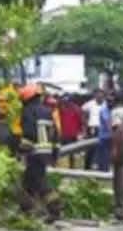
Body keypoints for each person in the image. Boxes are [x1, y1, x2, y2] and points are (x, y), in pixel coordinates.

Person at [18, 84, 61, 221]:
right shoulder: (48, 111)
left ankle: (55, 209)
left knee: (40, 182)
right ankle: (27, 209)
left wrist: (21, 149)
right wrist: (55, 153)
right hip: (46, 152)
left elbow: (29, 132)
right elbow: (55, 134)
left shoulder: (28, 111)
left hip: (35, 151)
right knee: (28, 180)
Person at [57, 94, 84, 168]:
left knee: (73, 153)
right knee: (64, 153)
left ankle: (72, 167)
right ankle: (65, 167)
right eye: (64, 101)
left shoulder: (77, 109)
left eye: (67, 101)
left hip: (73, 135)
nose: (65, 103)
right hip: (63, 135)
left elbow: (81, 121)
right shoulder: (61, 109)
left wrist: (80, 133)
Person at [82, 90, 105, 170]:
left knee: (101, 149)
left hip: (102, 129)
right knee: (90, 148)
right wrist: (85, 128)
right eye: (98, 96)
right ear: (95, 96)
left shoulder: (105, 105)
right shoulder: (89, 104)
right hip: (92, 128)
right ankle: (87, 166)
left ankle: (100, 167)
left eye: (101, 96)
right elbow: (84, 114)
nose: (99, 98)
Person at [96, 94, 115, 172]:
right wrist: (113, 133)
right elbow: (107, 123)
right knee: (104, 156)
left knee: (108, 156)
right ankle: (103, 172)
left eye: (112, 101)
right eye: (109, 101)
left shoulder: (112, 110)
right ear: (106, 102)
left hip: (110, 137)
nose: (111, 103)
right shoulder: (104, 110)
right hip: (104, 137)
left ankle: (105, 171)